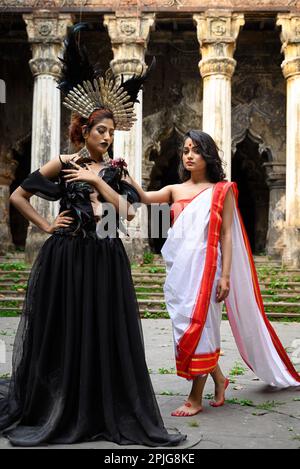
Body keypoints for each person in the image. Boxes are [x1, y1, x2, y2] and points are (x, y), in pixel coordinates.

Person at [0, 23, 186, 446]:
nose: (107, 136)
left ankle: (102, 402)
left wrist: (101, 183)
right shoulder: (63, 161)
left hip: (105, 256)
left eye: (111, 132)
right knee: (66, 328)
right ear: (84, 129)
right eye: (101, 130)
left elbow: (131, 215)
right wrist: (47, 225)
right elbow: (18, 195)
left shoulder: (117, 171)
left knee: (101, 330)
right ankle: (58, 402)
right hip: (66, 255)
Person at [127, 129, 300, 417]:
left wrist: (226, 276)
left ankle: (196, 398)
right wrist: (124, 174)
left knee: (203, 328)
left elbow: (227, 237)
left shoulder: (222, 191)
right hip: (181, 271)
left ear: (207, 155)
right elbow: (143, 197)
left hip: (208, 270)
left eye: (195, 150)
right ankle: (220, 379)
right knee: (186, 326)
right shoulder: (174, 189)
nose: (189, 155)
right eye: (185, 150)